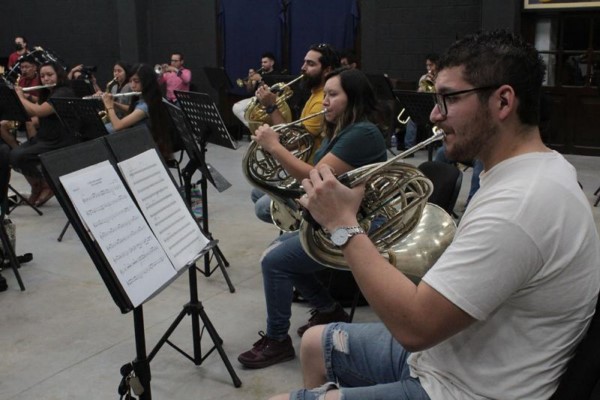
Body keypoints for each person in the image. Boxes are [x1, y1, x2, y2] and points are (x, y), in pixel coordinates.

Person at [270, 30, 600, 400]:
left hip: (468, 388)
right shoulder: (532, 168)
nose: (434, 114)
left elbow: (415, 328)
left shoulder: (519, 205)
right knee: (315, 342)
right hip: (453, 354)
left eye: (448, 99)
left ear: (503, 101)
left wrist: (343, 223)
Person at [238, 67, 388, 369]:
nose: (324, 102)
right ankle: (328, 309)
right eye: (326, 95)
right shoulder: (344, 129)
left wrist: (275, 146)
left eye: (333, 95)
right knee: (283, 252)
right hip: (338, 218)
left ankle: (278, 340)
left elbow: (315, 174)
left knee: (274, 260)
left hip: (360, 227)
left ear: (354, 98)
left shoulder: (362, 132)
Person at [251, 43, 340, 224]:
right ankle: (292, 225)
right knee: (256, 192)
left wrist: (271, 106)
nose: (303, 68)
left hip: (308, 172)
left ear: (327, 70)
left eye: (310, 64)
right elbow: (294, 132)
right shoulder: (314, 94)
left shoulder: (322, 101)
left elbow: (292, 142)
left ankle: (304, 226)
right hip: (302, 166)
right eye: (304, 62)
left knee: (261, 207)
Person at [0, 61, 77, 207]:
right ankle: (37, 186)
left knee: (19, 156)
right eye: (43, 76)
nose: (46, 79)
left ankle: (47, 184)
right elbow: (33, 111)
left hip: (59, 139)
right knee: (13, 154)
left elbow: (39, 111)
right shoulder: (48, 92)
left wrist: (20, 97)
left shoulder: (64, 92)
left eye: (49, 75)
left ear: (59, 75)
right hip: (45, 136)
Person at [102, 63, 173, 159]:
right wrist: (115, 104)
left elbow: (117, 126)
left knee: (104, 131)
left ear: (146, 82)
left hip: (141, 147)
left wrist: (109, 106)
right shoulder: (146, 99)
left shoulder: (146, 105)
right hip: (136, 139)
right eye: (131, 81)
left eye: (136, 81)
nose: (132, 85)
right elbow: (135, 111)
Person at [0, 55, 41, 148]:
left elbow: (43, 100)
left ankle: (33, 149)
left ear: (34, 67)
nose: (24, 70)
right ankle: (16, 149)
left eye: (27, 67)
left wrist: (28, 96)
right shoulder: (21, 80)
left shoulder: (41, 80)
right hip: (21, 115)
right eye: (22, 67)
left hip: (36, 114)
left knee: (29, 123)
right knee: (2, 125)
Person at [232, 52, 279, 128]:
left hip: (267, 100)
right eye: (262, 62)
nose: (262, 64)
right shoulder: (260, 73)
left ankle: (258, 128)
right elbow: (250, 90)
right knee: (236, 107)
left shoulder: (276, 74)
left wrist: (260, 79)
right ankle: (254, 128)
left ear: (272, 63)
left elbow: (269, 89)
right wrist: (250, 79)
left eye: (265, 62)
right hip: (256, 99)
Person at [403, 53, 439, 150]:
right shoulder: (424, 78)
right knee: (411, 118)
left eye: (431, 65)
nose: (428, 68)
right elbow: (418, 95)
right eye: (427, 65)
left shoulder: (442, 77)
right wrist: (424, 85)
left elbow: (439, 94)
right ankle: (409, 148)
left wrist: (435, 83)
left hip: (438, 108)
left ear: (437, 64)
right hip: (425, 107)